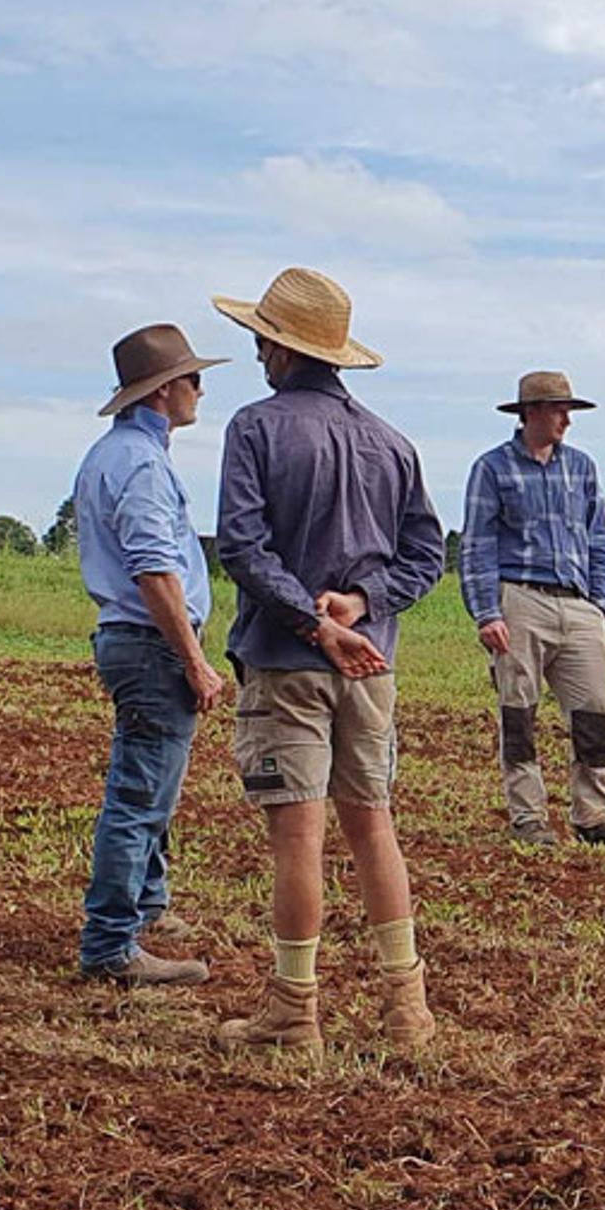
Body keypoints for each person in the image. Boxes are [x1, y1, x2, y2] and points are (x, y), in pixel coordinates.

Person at [208, 264, 447, 1059]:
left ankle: (293, 1010)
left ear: (278, 349)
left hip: (288, 660)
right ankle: (406, 1011)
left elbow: (242, 546)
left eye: (260, 342)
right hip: (369, 665)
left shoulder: (255, 428)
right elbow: (425, 554)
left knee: (298, 838)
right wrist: (361, 604)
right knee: (374, 826)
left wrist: (314, 621)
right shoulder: (392, 443)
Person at [70, 322, 231, 986]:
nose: (199, 390)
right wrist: (194, 658)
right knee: (139, 795)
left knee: (150, 789)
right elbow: (154, 571)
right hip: (148, 643)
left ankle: (145, 906)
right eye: (193, 379)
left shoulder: (119, 454)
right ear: (165, 391)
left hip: (133, 640)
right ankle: (111, 943)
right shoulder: (139, 463)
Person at [463, 370, 605, 852]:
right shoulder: (492, 468)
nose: (566, 419)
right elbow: (476, 545)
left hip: (578, 600)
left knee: (597, 710)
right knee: (518, 711)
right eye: (559, 410)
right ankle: (528, 815)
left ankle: (592, 813)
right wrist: (486, 612)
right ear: (531, 413)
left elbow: (600, 537)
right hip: (518, 596)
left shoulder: (581, 467)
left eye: (568, 411)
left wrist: (600, 601)